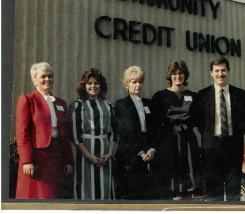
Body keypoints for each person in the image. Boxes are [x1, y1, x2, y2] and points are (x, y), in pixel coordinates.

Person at [15, 62, 73, 199]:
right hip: (37, 158)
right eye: (43, 76)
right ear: (34, 80)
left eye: (50, 76)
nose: (47, 79)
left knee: (54, 196)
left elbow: (65, 134)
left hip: (55, 157)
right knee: (37, 196)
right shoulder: (27, 100)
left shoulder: (61, 103)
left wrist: (68, 160)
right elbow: (22, 133)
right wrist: (26, 160)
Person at [197, 56, 245, 201]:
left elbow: (242, 122)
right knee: (214, 190)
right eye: (217, 71)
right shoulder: (203, 95)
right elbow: (200, 122)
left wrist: (233, 138)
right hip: (211, 147)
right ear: (211, 73)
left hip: (233, 147)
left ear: (229, 71)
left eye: (223, 70)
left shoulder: (240, 94)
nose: (220, 74)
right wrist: (210, 136)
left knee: (233, 189)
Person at [151, 60, 203, 199]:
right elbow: (154, 124)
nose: (178, 76)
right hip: (169, 139)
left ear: (185, 75)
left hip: (188, 139)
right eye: (174, 73)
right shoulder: (160, 96)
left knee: (191, 174)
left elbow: (200, 120)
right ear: (169, 76)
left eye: (181, 73)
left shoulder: (193, 96)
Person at [68, 68, 117, 200]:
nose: (93, 86)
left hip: (105, 154)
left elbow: (113, 132)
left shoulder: (109, 106)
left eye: (96, 83)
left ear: (101, 85)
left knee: (104, 190)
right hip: (86, 153)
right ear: (84, 85)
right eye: (89, 83)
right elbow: (75, 136)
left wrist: (110, 154)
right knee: (86, 189)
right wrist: (89, 157)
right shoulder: (76, 105)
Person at [114, 66, 160, 200]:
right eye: (133, 82)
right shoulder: (121, 104)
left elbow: (156, 129)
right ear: (126, 85)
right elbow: (125, 132)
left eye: (140, 81)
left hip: (149, 152)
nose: (138, 85)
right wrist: (140, 152)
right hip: (130, 155)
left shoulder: (150, 103)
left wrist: (152, 149)